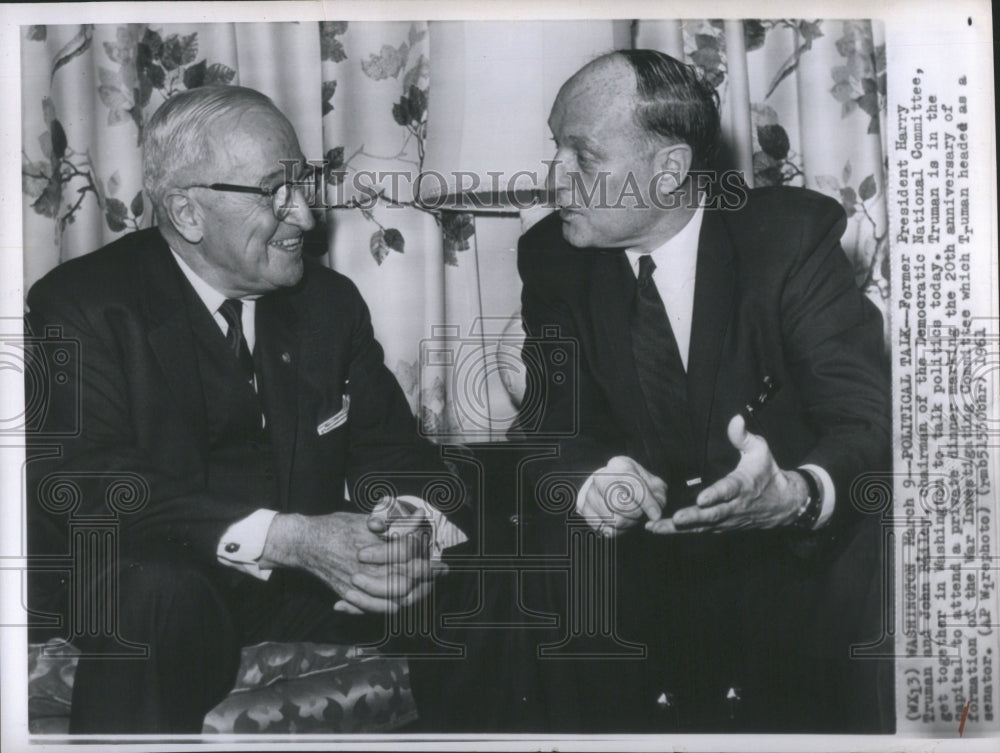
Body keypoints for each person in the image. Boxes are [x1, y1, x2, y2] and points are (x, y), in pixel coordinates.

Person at [25, 85, 470, 734]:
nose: (307, 215)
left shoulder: (328, 305)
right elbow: (95, 486)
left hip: (301, 593)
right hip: (147, 583)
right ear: (187, 212)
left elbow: (397, 456)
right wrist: (293, 538)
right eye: (276, 191)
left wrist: (404, 532)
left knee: (502, 566)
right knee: (159, 594)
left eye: (305, 184)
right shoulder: (82, 305)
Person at [514, 50, 892, 732]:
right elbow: (549, 425)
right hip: (642, 565)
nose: (553, 182)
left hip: (791, 568)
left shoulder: (789, 237)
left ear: (670, 170)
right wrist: (591, 477)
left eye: (583, 159)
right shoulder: (552, 257)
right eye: (554, 149)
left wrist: (799, 493)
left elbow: (865, 418)